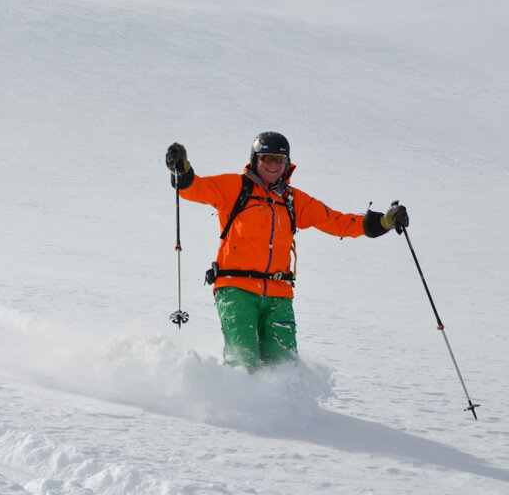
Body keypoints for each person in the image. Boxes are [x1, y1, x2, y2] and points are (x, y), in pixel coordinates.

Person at [165, 132, 408, 373]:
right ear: (255, 159)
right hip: (236, 289)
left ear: (286, 163)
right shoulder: (235, 188)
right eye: (266, 158)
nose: (273, 164)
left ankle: (282, 410)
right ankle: (235, 407)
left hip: (278, 295)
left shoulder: (292, 200)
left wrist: (383, 222)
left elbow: (336, 222)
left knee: (283, 367)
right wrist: (182, 169)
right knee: (243, 362)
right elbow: (195, 189)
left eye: (279, 160)